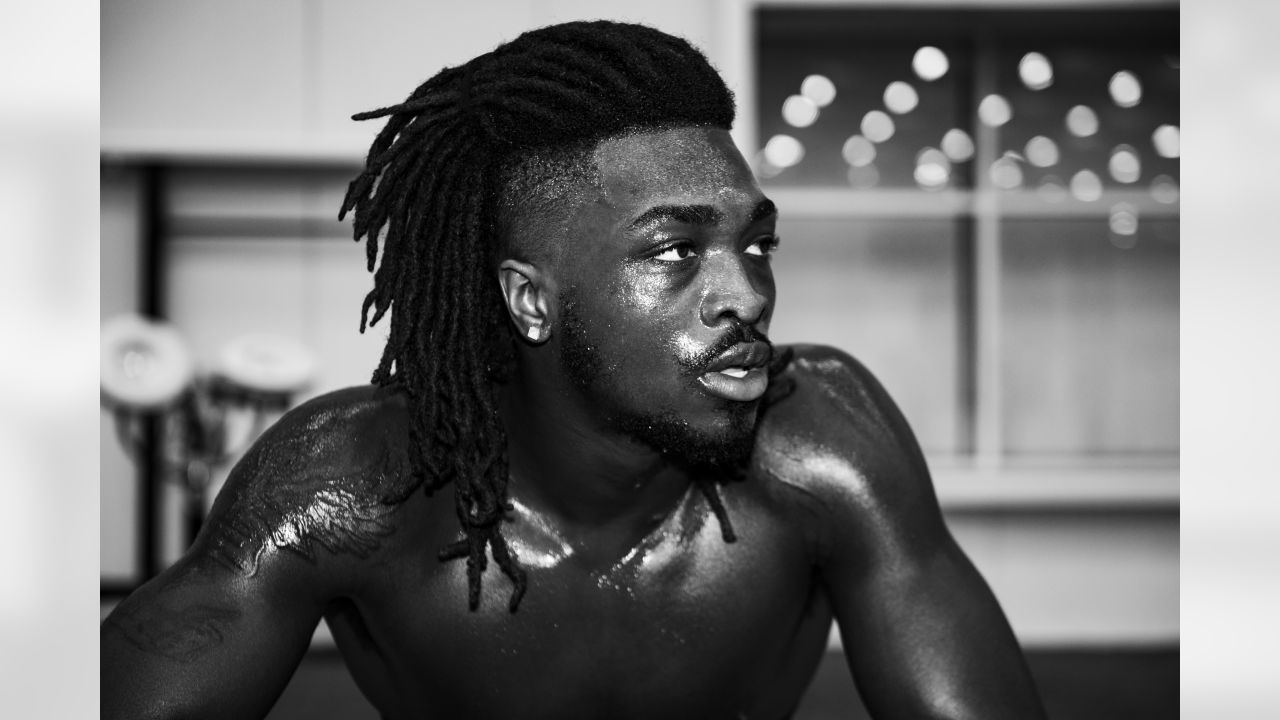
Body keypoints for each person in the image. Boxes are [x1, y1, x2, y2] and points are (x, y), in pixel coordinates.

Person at [102, 20, 1046, 720]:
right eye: (677, 251)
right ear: (530, 301)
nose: (747, 295)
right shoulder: (347, 487)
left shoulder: (824, 449)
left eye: (757, 245)